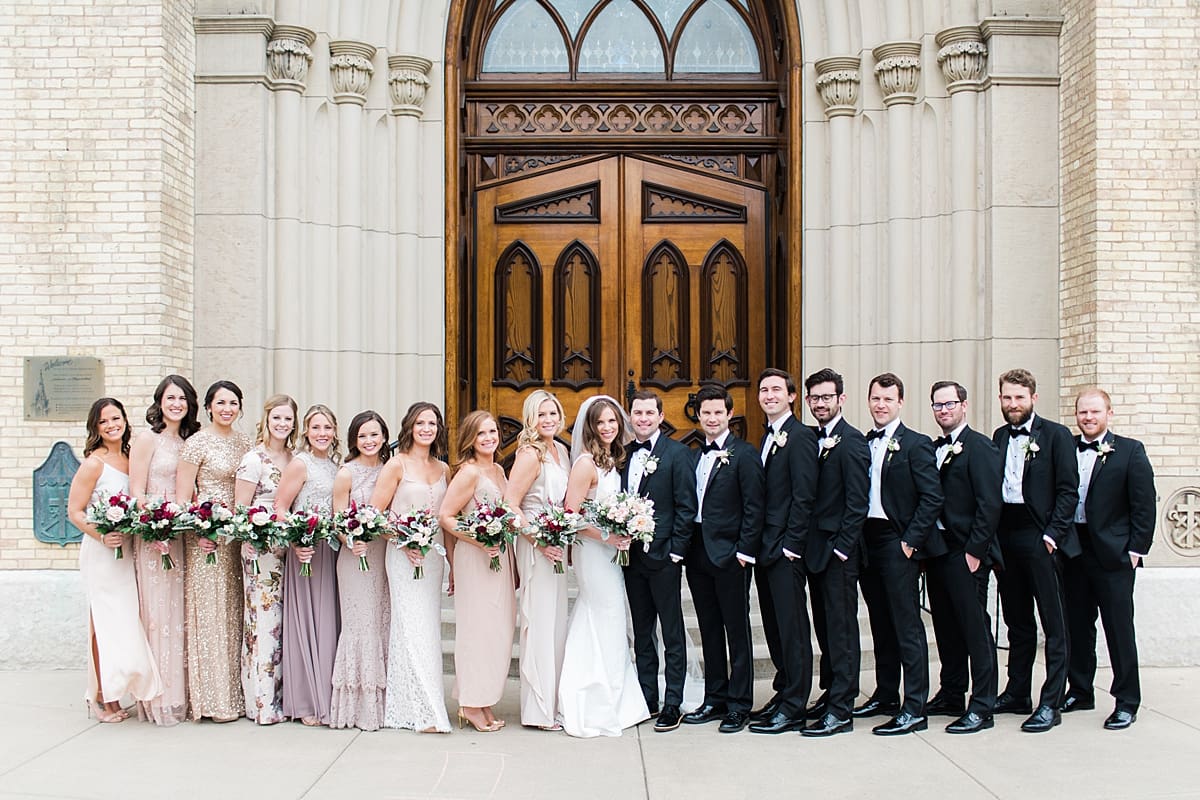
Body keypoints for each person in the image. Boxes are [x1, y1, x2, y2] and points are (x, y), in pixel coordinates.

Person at [855, 373, 944, 735]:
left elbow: (932, 497)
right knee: (879, 622)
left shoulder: (917, 444)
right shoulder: (862, 443)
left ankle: (915, 706)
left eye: (887, 400)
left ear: (900, 403)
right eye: (875, 399)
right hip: (867, 540)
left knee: (907, 624)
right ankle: (887, 693)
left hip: (897, 541)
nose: (880, 405)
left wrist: (910, 541)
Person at [991, 368, 1078, 733]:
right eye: (1007, 398)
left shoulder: (1056, 436)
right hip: (1006, 535)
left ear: (1033, 399)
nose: (1013, 404)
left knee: (1053, 623)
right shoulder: (997, 436)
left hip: (1040, 536)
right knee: (1017, 621)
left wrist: (1052, 536)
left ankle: (1051, 701)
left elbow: (1068, 491)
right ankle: (1017, 692)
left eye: (1019, 398)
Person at [558, 395, 651, 737]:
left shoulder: (613, 459)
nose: (609, 427)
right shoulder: (585, 464)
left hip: (610, 551)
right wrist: (606, 537)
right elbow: (570, 516)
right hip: (593, 551)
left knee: (607, 617)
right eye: (601, 423)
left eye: (613, 421)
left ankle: (614, 693)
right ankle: (596, 698)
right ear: (590, 427)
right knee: (606, 612)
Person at [1063, 388, 1155, 730]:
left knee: (1118, 629)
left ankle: (1127, 701)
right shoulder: (1067, 448)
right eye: (1083, 412)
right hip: (1073, 549)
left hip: (1113, 555)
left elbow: (1144, 505)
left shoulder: (1130, 451)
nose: (1088, 418)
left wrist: (1134, 552)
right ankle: (1080, 690)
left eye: (1095, 412)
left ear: (1109, 414)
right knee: (1077, 625)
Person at [67, 398, 162, 722]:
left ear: (124, 420)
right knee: (103, 623)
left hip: (128, 550)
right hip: (103, 553)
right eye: (104, 421)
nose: (111, 425)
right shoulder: (94, 463)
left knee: (123, 622)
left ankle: (118, 687)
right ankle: (100, 697)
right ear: (95, 427)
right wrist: (102, 535)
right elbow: (75, 511)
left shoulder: (129, 456)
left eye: (115, 418)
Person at [680, 384, 763, 734]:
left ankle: (739, 703)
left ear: (729, 415)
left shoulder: (744, 454)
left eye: (718, 412)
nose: (712, 418)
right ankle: (715, 696)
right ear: (698, 416)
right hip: (697, 551)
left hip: (731, 555)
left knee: (736, 629)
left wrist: (744, 552)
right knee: (709, 627)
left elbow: (755, 506)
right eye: (706, 412)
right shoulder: (692, 455)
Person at [925, 381, 1003, 734]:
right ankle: (952, 691)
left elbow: (990, 504)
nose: (944, 410)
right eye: (938, 405)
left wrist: (975, 551)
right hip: (938, 551)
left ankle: (983, 704)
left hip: (965, 552)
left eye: (950, 404)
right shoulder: (934, 448)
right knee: (945, 626)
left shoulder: (980, 448)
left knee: (975, 629)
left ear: (964, 406)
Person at [621, 390, 698, 732]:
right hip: (630, 558)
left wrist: (677, 551)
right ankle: (647, 697)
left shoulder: (678, 454)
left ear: (661, 415)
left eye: (649, 413)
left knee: (671, 630)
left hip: (664, 556)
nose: (643, 418)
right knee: (642, 632)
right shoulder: (622, 456)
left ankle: (673, 702)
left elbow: (686, 506)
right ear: (631, 415)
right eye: (638, 413)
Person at [176, 380, 252, 722]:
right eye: (220, 402)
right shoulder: (196, 444)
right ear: (208, 407)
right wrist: (200, 529)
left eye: (233, 402)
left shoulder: (245, 441)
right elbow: (182, 496)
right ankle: (210, 699)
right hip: (206, 538)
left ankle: (235, 697)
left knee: (234, 611)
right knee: (209, 614)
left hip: (235, 537)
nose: (227, 408)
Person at [373, 402, 452, 733]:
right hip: (403, 555)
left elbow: (447, 521)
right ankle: (423, 710)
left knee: (428, 627)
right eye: (420, 422)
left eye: (432, 423)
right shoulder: (396, 465)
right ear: (409, 426)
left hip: (432, 557)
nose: (426, 428)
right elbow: (374, 515)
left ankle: (418, 703)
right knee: (410, 626)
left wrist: (452, 563)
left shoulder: (444, 468)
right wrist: (404, 541)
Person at [748, 368, 818, 735]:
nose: (769, 395)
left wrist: (793, 545)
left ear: (792, 396)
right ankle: (783, 689)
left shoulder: (801, 437)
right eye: (764, 390)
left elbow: (805, 496)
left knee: (792, 628)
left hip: (785, 550)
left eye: (777, 389)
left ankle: (795, 705)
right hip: (765, 549)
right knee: (775, 626)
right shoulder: (767, 437)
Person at [801, 368, 869, 737]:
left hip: (838, 553)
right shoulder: (813, 438)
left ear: (841, 399)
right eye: (815, 398)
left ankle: (842, 708)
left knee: (842, 630)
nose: (821, 403)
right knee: (825, 628)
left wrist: (843, 549)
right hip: (815, 549)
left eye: (827, 397)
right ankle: (831, 692)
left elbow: (858, 502)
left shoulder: (852, 441)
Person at [128, 374, 199, 726]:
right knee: (156, 614)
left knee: (178, 614)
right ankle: (156, 697)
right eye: (171, 398)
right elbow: (136, 491)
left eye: (182, 399)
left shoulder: (190, 441)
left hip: (181, 535)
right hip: (154, 536)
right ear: (159, 402)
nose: (176, 404)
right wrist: (152, 525)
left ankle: (177, 695)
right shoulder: (147, 440)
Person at [439, 410, 516, 733]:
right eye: (482, 433)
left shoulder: (498, 468)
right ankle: (469, 703)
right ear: (471, 438)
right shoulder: (468, 472)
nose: (489, 438)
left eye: (493, 432)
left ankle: (483, 699)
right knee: (476, 630)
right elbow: (446, 515)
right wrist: (480, 539)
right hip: (476, 557)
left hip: (499, 558)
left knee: (497, 632)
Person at [503, 390, 570, 730]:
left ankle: (553, 701)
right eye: (541, 414)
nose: (548, 420)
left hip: (556, 545)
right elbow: (510, 505)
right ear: (531, 419)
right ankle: (538, 710)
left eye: (553, 413)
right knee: (541, 623)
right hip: (536, 546)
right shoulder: (530, 454)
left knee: (556, 624)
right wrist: (540, 540)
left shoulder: (561, 450)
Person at [275, 404, 342, 726]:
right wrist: (297, 539)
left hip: (330, 551)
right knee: (307, 620)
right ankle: (304, 701)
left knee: (328, 622)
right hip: (306, 551)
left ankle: (326, 696)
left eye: (327, 427)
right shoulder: (300, 464)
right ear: (305, 431)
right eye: (316, 428)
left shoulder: (333, 465)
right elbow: (280, 508)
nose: (322, 433)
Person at [233, 393, 297, 725]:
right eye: (277, 418)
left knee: (287, 625)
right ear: (267, 419)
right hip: (262, 553)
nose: (282, 424)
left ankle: (285, 696)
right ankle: (262, 702)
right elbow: (241, 511)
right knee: (264, 623)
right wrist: (255, 537)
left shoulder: (295, 457)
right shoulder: (253, 459)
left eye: (288, 419)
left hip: (293, 552)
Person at [329, 410, 390, 730]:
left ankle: (385, 703)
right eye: (363, 435)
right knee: (361, 625)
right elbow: (338, 520)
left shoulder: (390, 470)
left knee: (381, 621)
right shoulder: (346, 473)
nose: (369, 440)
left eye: (375, 434)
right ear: (354, 439)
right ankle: (358, 707)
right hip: (355, 558)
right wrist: (351, 539)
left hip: (382, 556)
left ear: (384, 437)